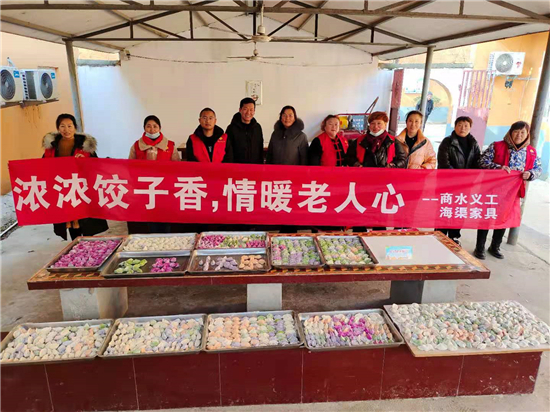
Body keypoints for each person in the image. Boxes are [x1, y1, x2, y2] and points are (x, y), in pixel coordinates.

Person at [474, 121, 542, 260]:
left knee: (504, 219)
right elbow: (481, 161)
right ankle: (479, 247)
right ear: (510, 132)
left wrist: (530, 174)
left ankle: (495, 246)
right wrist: (498, 167)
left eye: (522, 132)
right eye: (516, 131)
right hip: (492, 190)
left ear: (527, 135)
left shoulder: (531, 152)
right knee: (487, 217)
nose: (519, 135)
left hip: (512, 193)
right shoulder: (497, 146)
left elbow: (538, 168)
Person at [42, 114, 108, 241]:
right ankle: (76, 245)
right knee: (70, 220)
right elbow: (42, 165)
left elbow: (96, 165)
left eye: (69, 126)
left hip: (82, 188)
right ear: (58, 128)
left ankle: (89, 246)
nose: (66, 130)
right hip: (62, 187)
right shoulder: (52, 146)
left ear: (75, 127)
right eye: (62, 126)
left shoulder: (85, 145)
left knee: (85, 221)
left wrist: (85, 161)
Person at [345, 111, 406, 231]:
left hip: (384, 184)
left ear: (385, 124)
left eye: (379, 123)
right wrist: (356, 164)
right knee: (361, 209)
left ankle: (378, 235)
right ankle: (359, 234)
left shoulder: (393, 141)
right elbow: (348, 157)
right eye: (373, 123)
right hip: (362, 183)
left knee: (380, 212)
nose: (375, 126)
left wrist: (392, 165)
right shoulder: (359, 141)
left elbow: (403, 159)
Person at [129, 115, 179, 233]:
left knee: (166, 216)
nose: (152, 129)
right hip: (146, 188)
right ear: (144, 128)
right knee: (151, 216)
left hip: (165, 187)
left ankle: (166, 238)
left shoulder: (170, 145)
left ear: (160, 128)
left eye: (155, 126)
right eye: (149, 126)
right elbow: (130, 166)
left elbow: (177, 166)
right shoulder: (137, 146)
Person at [436, 116, 481, 244]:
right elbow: (444, 163)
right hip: (447, 185)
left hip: (465, 186)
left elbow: (478, 163)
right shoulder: (447, 142)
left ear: (470, 128)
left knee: (459, 211)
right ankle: (439, 235)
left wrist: (469, 178)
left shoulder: (474, 144)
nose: (463, 128)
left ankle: (454, 236)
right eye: (460, 125)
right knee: (444, 210)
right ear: (455, 126)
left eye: (466, 126)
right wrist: (458, 178)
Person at [226, 97, 264, 164]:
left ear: (254, 111)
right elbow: (228, 151)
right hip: (237, 167)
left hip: (255, 167)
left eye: (251, 110)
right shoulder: (231, 128)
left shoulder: (257, 128)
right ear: (240, 110)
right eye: (245, 109)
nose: (248, 112)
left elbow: (260, 149)